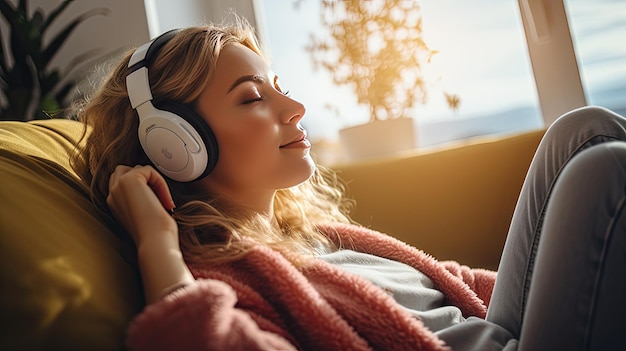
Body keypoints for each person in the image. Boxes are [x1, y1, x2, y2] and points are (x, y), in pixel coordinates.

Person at [71, 17, 626, 351]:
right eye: (252, 97)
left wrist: (582, 277)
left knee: (582, 130)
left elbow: (457, 290)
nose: (295, 107)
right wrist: (157, 244)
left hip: (510, 329)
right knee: (604, 172)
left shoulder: (324, 236)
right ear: (177, 144)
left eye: (279, 87)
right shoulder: (227, 281)